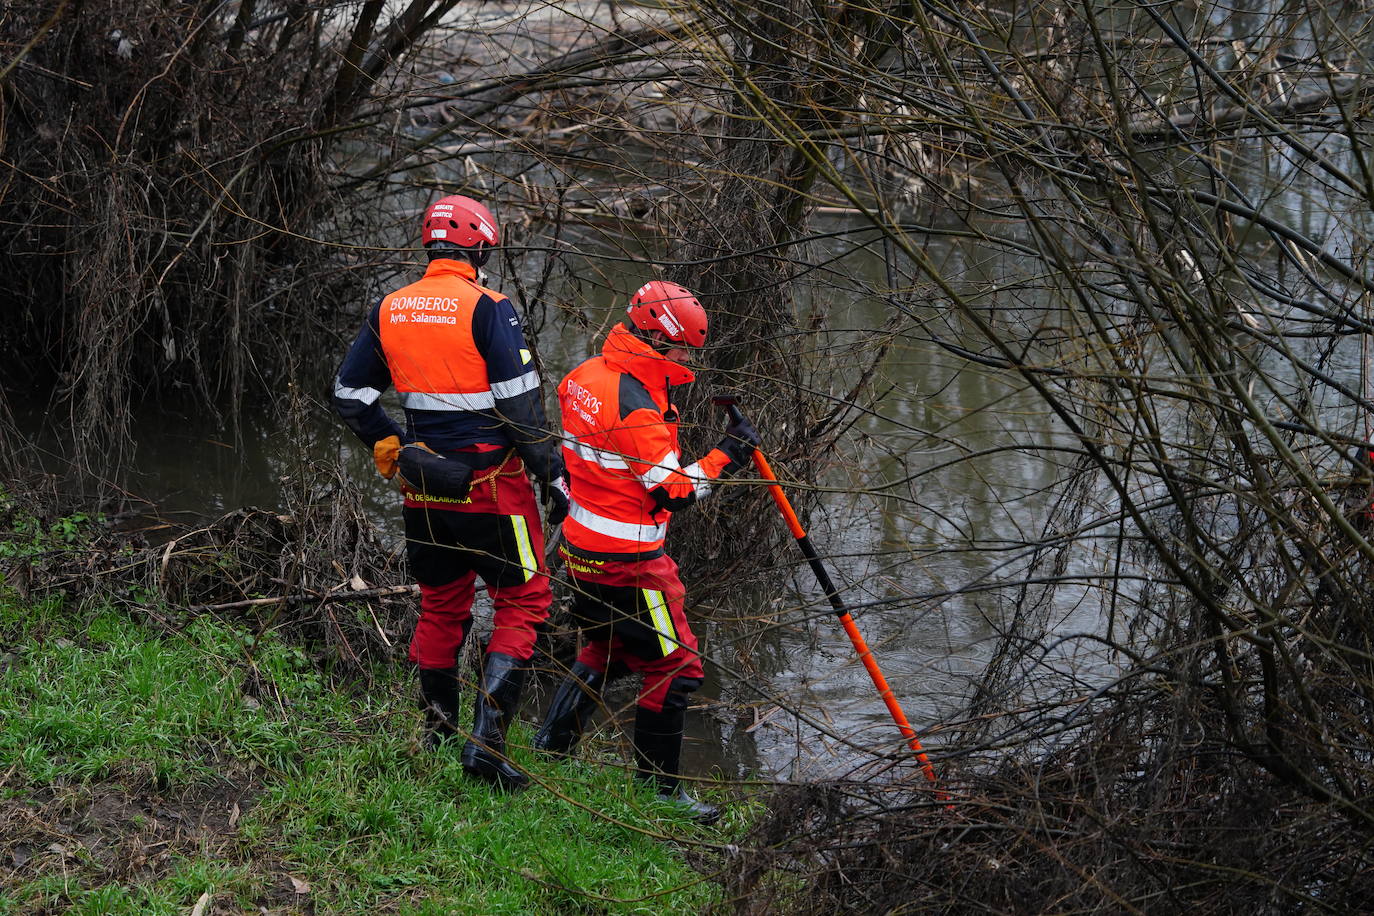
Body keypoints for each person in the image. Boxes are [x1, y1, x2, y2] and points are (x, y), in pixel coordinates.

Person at [331, 193, 568, 791]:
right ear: (482, 246)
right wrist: (556, 477)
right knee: (524, 601)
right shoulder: (490, 307)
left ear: (429, 246)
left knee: (441, 605)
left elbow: (350, 396)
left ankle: (438, 736)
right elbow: (523, 415)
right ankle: (486, 748)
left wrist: (393, 447)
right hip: (494, 490)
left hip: (424, 491)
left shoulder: (391, 307)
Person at [532, 279, 759, 824]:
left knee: (604, 651)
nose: (688, 360)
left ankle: (551, 747)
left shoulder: (585, 376)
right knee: (678, 668)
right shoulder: (634, 406)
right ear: (658, 340)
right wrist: (728, 455)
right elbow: (673, 491)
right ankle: (660, 793)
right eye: (684, 350)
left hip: (583, 552)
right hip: (630, 566)